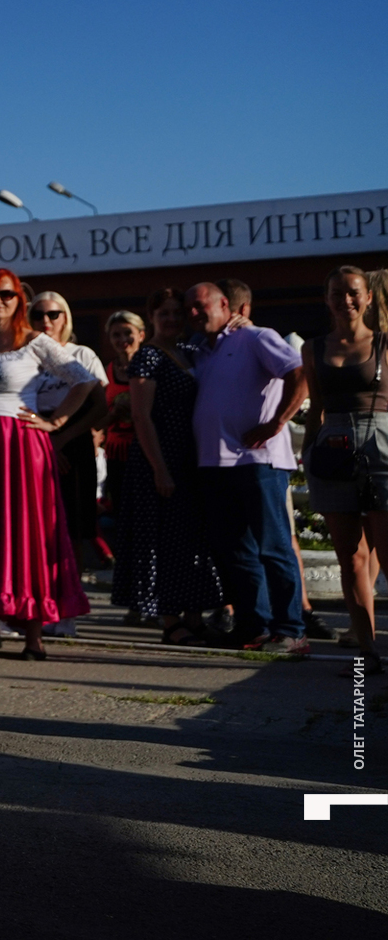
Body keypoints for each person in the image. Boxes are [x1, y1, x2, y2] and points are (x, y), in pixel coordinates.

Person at [0, 268, 98, 660]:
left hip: (20, 445)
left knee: (26, 533)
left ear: (19, 300)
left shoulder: (35, 341)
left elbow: (84, 380)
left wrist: (56, 421)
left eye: (6, 294)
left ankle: (34, 636)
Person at [186, 282, 310, 655]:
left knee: (273, 548)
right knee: (235, 552)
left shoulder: (256, 337)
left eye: (200, 305)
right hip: (214, 464)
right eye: (189, 308)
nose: (193, 313)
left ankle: (291, 631)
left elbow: (300, 373)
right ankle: (254, 627)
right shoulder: (199, 350)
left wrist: (277, 423)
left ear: (225, 304)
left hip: (257, 461)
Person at [110, 290, 221, 644]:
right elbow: (141, 416)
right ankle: (171, 621)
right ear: (152, 318)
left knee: (193, 540)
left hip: (193, 458)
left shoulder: (190, 350)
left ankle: (194, 617)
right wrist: (159, 468)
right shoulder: (147, 356)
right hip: (160, 460)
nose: (172, 319)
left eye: (177, 313)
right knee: (163, 542)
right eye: (164, 313)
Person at [301, 266, 386, 672]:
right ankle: (367, 651)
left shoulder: (384, 343)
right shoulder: (313, 348)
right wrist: (309, 455)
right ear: (327, 299)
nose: (345, 300)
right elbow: (316, 406)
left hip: (381, 445)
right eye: (336, 293)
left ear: (368, 297)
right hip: (333, 449)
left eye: (353, 293)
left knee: (386, 550)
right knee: (350, 558)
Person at [29, 292, 110, 572]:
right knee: (35, 520)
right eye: (38, 314)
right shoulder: (22, 356)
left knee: (74, 524)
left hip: (75, 439)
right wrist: (46, 443)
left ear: (66, 318)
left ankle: (72, 586)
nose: (46, 320)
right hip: (33, 439)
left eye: (53, 314)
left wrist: (62, 438)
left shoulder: (82, 354)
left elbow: (101, 407)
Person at [99, 310, 146, 613]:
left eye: (128, 333)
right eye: (116, 334)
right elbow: (99, 419)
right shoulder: (107, 372)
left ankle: (149, 594)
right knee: (124, 526)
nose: (122, 340)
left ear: (141, 334)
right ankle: (132, 598)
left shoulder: (151, 367)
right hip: (118, 456)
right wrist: (114, 414)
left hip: (147, 454)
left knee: (146, 527)